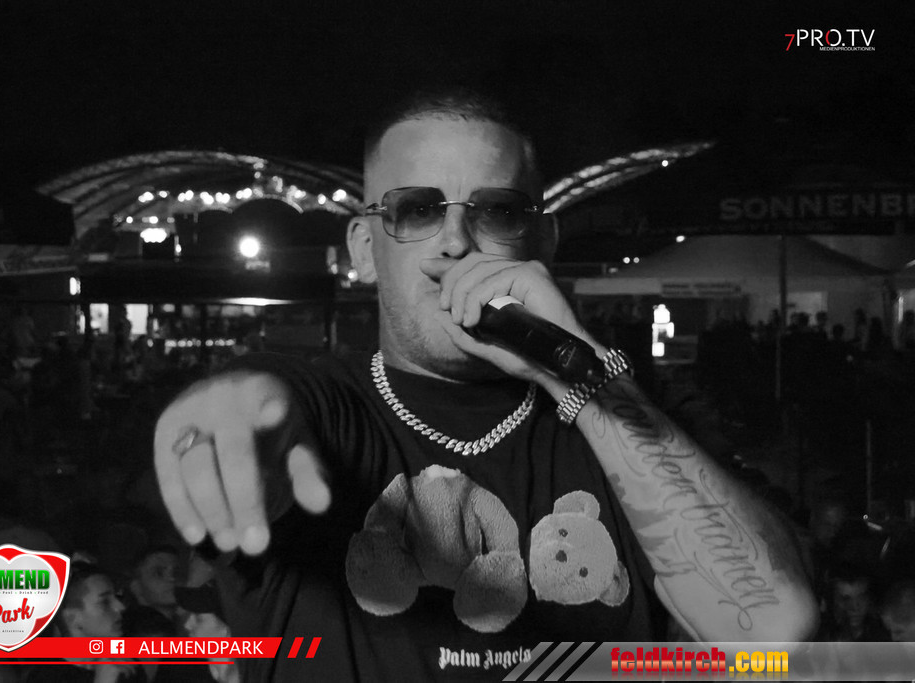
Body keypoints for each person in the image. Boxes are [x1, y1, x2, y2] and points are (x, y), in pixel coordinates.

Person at [153, 89, 817, 680]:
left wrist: (582, 374)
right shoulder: (323, 411)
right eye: (417, 209)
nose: (456, 240)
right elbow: (254, 401)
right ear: (363, 249)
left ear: (543, 242)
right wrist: (223, 414)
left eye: (496, 210)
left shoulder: (629, 425)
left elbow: (774, 630)